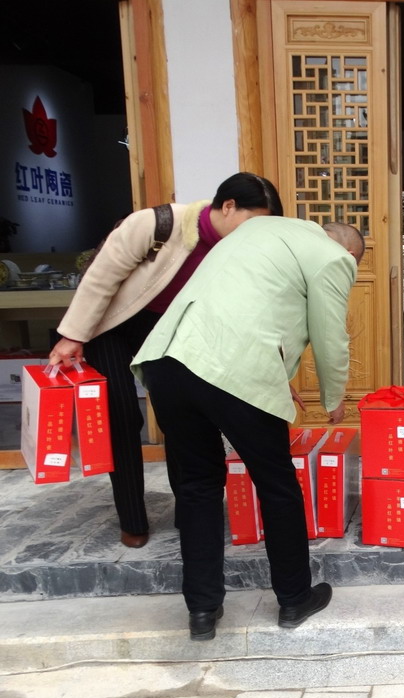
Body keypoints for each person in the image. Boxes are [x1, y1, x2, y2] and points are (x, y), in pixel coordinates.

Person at [131, 217, 363, 641]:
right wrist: (334, 398)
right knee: (277, 486)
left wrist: (275, 376)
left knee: (198, 487)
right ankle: (294, 598)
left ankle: (202, 610)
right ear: (349, 253)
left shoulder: (258, 231)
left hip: (167, 363)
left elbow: (243, 310)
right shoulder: (334, 257)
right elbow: (330, 334)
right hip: (229, 370)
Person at [49, 173, 284, 548]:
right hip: (112, 322)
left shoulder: (240, 249)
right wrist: (73, 335)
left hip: (168, 328)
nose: (255, 234)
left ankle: (189, 511)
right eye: (253, 222)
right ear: (228, 206)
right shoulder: (156, 224)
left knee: (180, 415)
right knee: (122, 415)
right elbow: (100, 277)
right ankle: (133, 519)